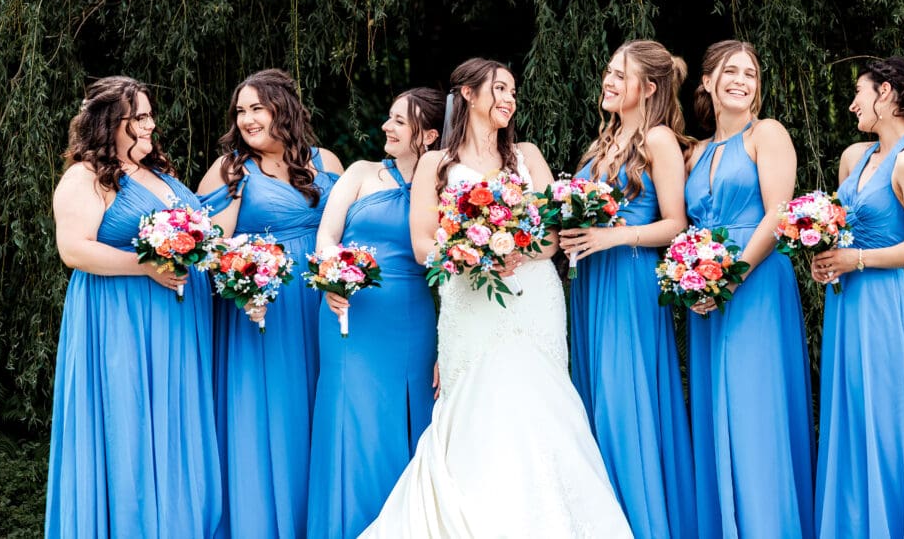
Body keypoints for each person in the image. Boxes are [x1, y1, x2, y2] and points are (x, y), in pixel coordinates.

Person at [360, 58, 632, 538]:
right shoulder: (435, 164)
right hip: (471, 302)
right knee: (476, 409)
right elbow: (423, 246)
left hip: (533, 298)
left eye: (513, 92)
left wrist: (515, 251)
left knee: (539, 404)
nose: (509, 99)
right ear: (467, 93)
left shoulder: (528, 156)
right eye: (500, 88)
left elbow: (552, 238)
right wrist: (475, 255)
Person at [46, 76, 222, 537]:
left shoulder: (158, 173)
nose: (150, 125)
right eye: (139, 117)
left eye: (149, 115)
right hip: (120, 319)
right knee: (130, 425)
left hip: (177, 321)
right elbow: (74, 250)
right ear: (110, 122)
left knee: (175, 427)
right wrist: (145, 267)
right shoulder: (85, 177)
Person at [811, 56, 904, 538]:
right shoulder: (855, 157)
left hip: (881, 308)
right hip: (844, 304)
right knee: (852, 417)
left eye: (859, 92)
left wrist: (856, 259)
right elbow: (839, 229)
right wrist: (824, 257)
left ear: (887, 93)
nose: (852, 104)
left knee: (885, 421)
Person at [559, 40, 697, 538]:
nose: (609, 81)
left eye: (621, 74)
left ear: (650, 87)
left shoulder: (658, 140)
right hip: (590, 281)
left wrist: (609, 237)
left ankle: (642, 522)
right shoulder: (604, 142)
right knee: (594, 399)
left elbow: (676, 223)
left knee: (624, 402)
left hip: (630, 280)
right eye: (609, 72)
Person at [198, 68, 343, 538]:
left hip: (322, 304)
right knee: (272, 415)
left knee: (324, 408)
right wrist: (242, 285)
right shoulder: (231, 169)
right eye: (241, 111)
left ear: (283, 108)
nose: (247, 119)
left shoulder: (325, 161)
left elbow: (350, 230)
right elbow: (208, 246)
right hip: (263, 307)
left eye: (257, 108)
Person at [684, 41, 814, 538]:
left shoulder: (768, 134)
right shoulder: (696, 152)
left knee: (755, 407)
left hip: (755, 284)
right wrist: (693, 275)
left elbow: (778, 214)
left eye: (751, 74)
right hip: (705, 291)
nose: (741, 80)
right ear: (707, 82)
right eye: (731, 71)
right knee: (716, 407)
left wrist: (731, 277)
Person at [307, 87, 444, 539]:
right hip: (351, 315)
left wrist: (449, 342)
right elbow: (327, 235)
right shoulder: (361, 172)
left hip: (413, 321)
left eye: (400, 121)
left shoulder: (445, 186)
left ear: (428, 136)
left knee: (409, 420)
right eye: (389, 117)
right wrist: (332, 277)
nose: (387, 126)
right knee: (351, 422)